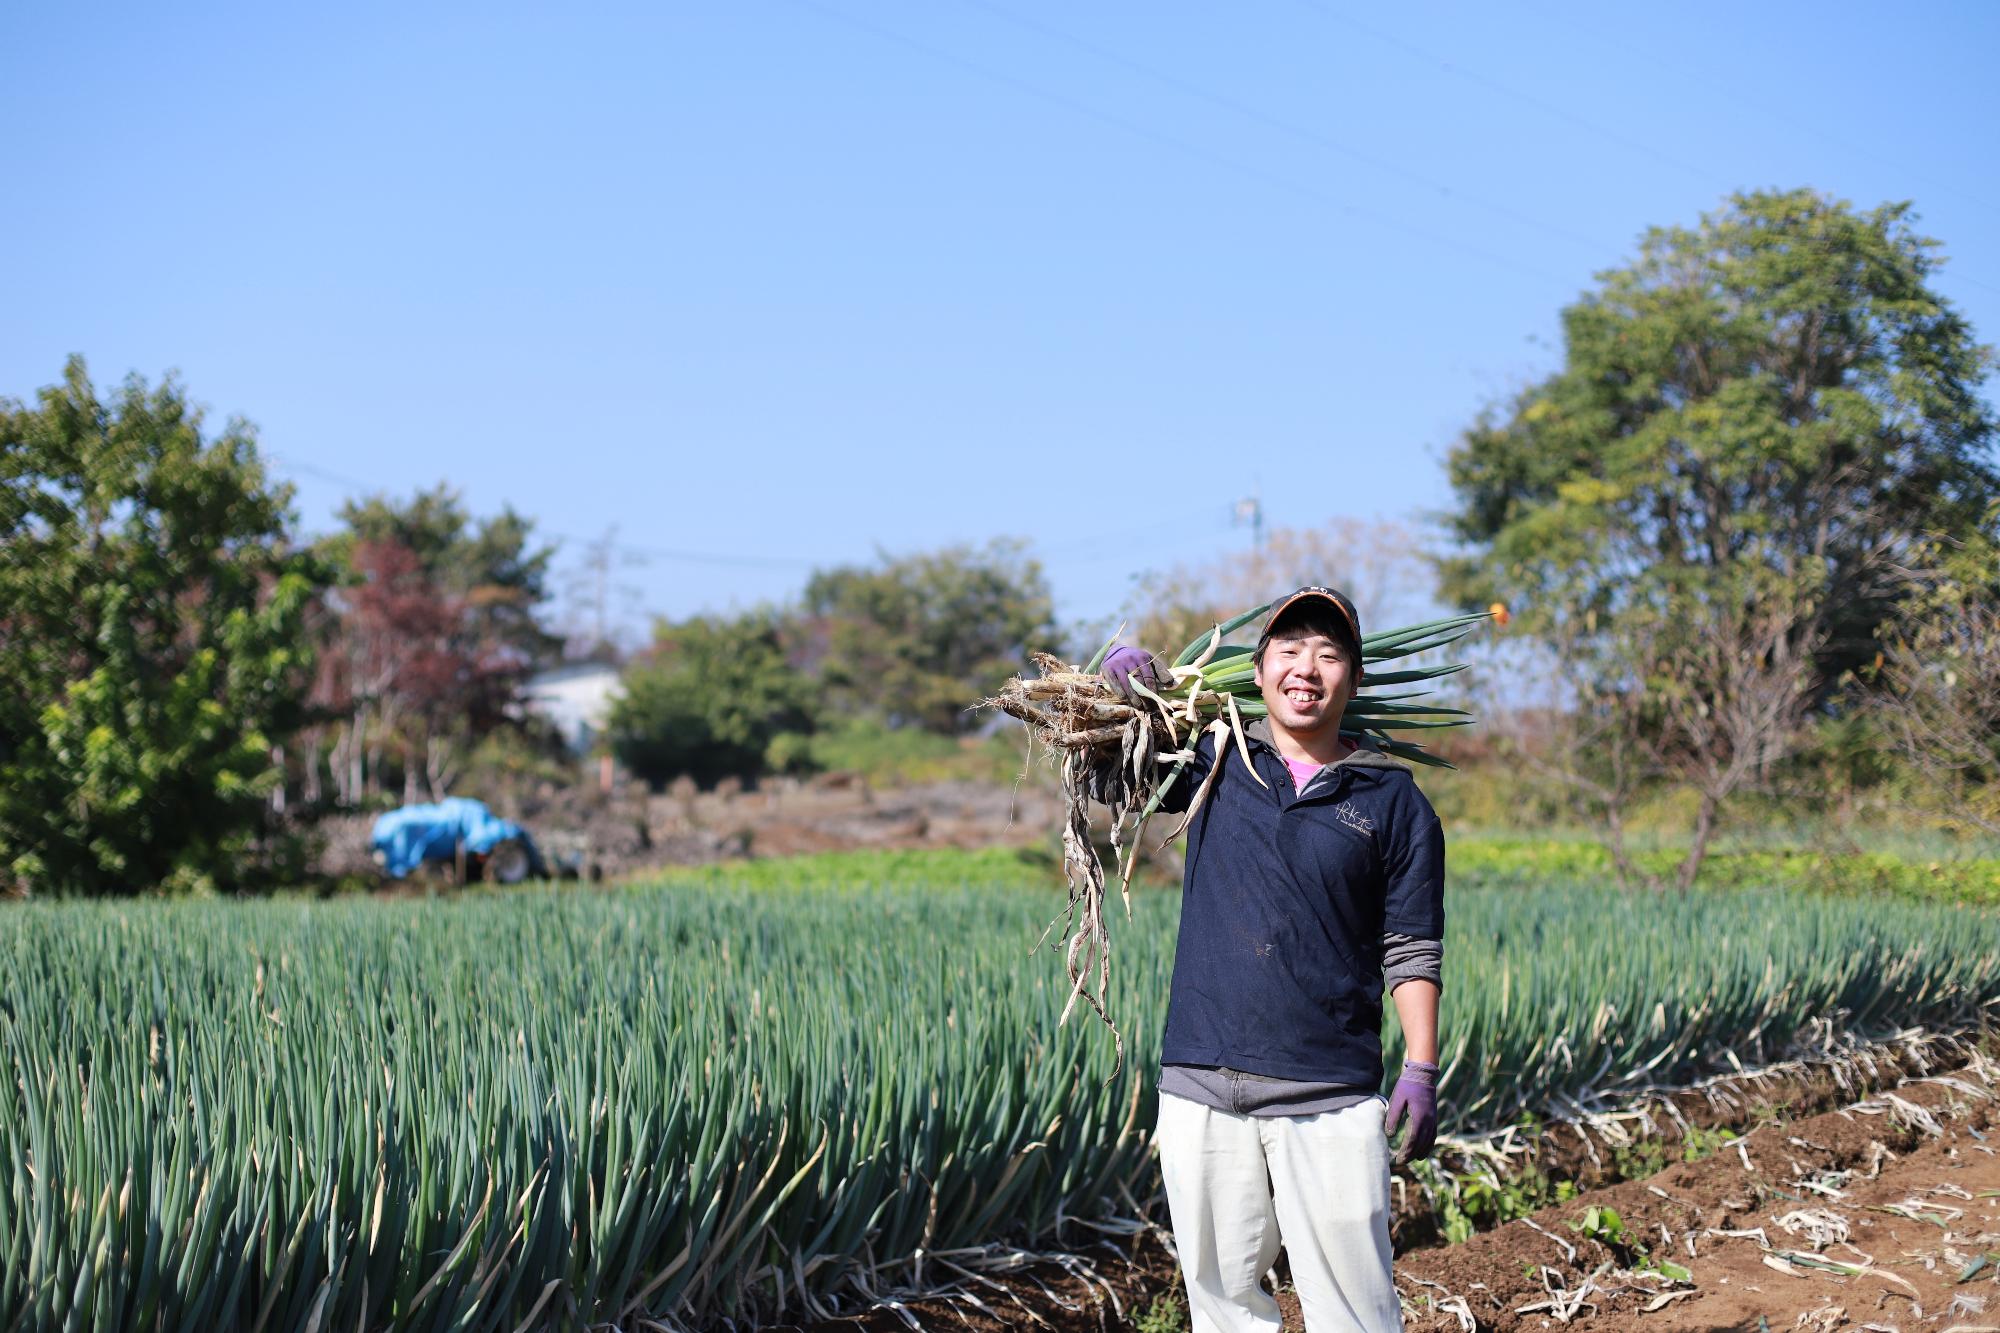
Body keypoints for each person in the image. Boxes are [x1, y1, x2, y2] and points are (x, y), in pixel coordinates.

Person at [1101, 586, 1443, 1333]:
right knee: (1223, 1308)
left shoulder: (1392, 799)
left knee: (1355, 1310)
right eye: (1289, 650)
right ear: (1257, 672)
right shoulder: (1216, 761)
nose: (1306, 668)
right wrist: (1124, 695)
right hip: (1201, 1082)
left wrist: (1420, 1066)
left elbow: (1411, 944)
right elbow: (1114, 775)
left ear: (1354, 679)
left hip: (1329, 1091)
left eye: (1328, 653)